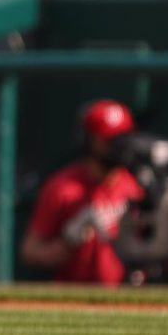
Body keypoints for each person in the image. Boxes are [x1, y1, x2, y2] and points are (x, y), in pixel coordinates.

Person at [21, 99, 145, 286]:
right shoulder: (63, 187)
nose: (118, 147)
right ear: (91, 140)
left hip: (126, 293)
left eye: (122, 139)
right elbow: (30, 252)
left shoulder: (137, 186)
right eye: (109, 141)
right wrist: (67, 242)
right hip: (73, 294)